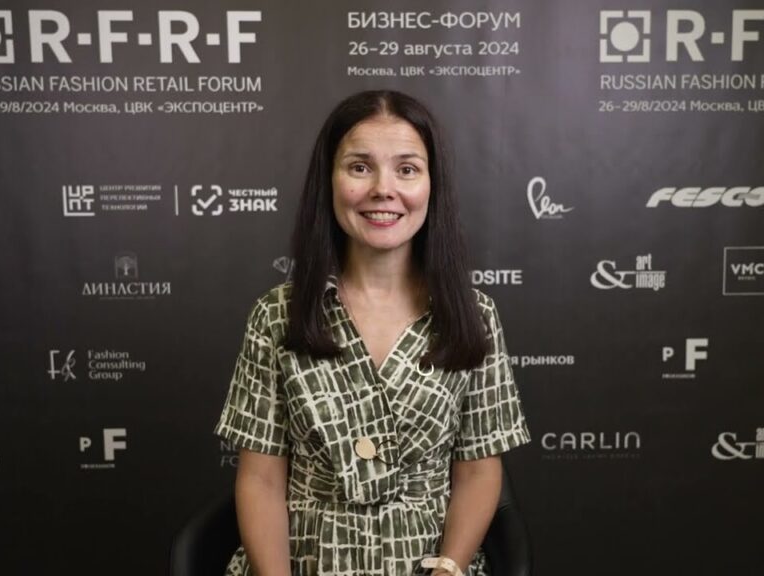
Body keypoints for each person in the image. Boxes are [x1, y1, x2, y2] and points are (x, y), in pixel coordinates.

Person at [214, 89, 531, 576]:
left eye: (407, 169)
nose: (384, 189)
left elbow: (478, 470)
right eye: (360, 167)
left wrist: (449, 568)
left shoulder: (473, 314)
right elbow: (261, 480)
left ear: (432, 185)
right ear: (329, 181)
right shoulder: (277, 315)